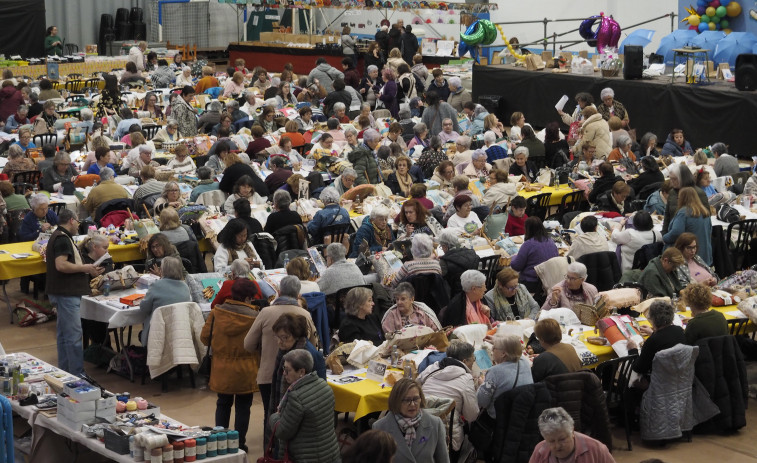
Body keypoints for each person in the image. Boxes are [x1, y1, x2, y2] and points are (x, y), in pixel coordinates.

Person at [244, 277, 318, 438]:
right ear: (298, 294)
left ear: (278, 292)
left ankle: (269, 453)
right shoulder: (304, 314)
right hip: (297, 376)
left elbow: (248, 344)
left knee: (270, 415)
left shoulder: (265, 312)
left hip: (267, 374)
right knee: (293, 419)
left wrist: (264, 349)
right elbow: (313, 345)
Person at [202, 279, 260, 453]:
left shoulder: (216, 313)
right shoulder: (255, 317)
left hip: (221, 368)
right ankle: (239, 443)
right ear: (249, 298)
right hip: (247, 369)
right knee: (243, 407)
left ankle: (220, 441)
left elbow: (205, 338)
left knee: (223, 403)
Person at [46, 210, 103, 375]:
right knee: (73, 336)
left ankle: (65, 372)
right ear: (71, 220)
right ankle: (78, 374)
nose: (79, 225)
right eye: (77, 221)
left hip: (61, 291)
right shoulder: (62, 239)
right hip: (66, 292)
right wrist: (86, 268)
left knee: (64, 335)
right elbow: (61, 265)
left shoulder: (58, 236)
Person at [268, 349, 340, 463]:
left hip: (305, 457)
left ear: (301, 371)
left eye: (287, 370)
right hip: (330, 454)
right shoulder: (325, 386)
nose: (284, 374)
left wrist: (274, 417)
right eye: (283, 369)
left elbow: (283, 431)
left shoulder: (296, 397)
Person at [418, 339, 479, 459]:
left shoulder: (432, 368)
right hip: (448, 438)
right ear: (464, 361)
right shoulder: (466, 379)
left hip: (420, 430)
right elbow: (471, 416)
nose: (474, 362)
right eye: (473, 359)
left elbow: (417, 387)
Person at [372, 378, 450, 463]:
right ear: (396, 401)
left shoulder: (435, 424)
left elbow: (443, 460)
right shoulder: (380, 427)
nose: (412, 404)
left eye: (416, 399)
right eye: (407, 400)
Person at [269, 313, 327, 415]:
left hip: (302, 413)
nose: (279, 342)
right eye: (277, 337)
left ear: (296, 335)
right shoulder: (285, 350)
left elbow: (320, 391)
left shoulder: (309, 354)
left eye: (284, 337)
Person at [529, 407, 615, 463]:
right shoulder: (540, 452)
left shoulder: (596, 449)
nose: (557, 446)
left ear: (572, 432)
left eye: (562, 439)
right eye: (551, 441)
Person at [477, 334, 533, 418]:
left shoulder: (494, 372)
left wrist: (482, 384)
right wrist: (498, 342)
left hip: (500, 419)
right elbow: (516, 351)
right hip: (522, 414)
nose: (491, 349)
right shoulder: (524, 362)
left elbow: (481, 402)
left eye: (494, 348)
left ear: (503, 353)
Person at [138, 256, 191, 346]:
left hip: (158, 333)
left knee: (141, 333)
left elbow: (144, 308)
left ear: (163, 270)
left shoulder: (156, 285)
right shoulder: (185, 287)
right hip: (180, 333)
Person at [627, 300, 685, 377]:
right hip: (680, 378)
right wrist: (652, 333)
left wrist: (632, 350)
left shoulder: (653, 341)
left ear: (651, 319)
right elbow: (665, 337)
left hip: (661, 382)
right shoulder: (679, 330)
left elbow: (638, 368)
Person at [663, 186, 713, 265]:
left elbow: (676, 233)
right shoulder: (705, 212)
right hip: (705, 256)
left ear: (682, 199)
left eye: (678, 198)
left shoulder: (684, 213)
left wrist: (664, 238)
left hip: (689, 258)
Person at [80, 235, 114, 347]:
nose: (107, 251)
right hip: (87, 299)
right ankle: (102, 349)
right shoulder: (82, 260)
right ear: (94, 247)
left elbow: (110, 277)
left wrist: (101, 275)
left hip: (105, 296)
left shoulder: (107, 259)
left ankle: (103, 348)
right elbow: (81, 283)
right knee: (96, 321)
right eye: (104, 248)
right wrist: (90, 273)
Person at [512, 217, 559, 294]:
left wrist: (514, 257)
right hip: (549, 281)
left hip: (531, 283)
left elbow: (516, 266)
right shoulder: (550, 241)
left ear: (528, 229)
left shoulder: (528, 244)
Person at [661, 163, 709, 235]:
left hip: (693, 237)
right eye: (670, 178)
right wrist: (664, 233)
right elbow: (667, 214)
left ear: (683, 178)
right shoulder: (672, 193)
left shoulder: (699, 193)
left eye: (674, 179)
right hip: (673, 235)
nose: (671, 182)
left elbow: (706, 215)